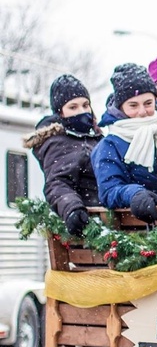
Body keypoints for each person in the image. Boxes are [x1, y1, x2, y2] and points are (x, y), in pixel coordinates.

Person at [22, 75, 103, 237]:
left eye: (85, 105)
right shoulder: (59, 142)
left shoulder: (97, 138)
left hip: (110, 219)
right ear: (60, 112)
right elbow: (57, 183)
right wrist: (72, 208)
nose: (82, 111)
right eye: (73, 107)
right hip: (90, 226)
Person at [91, 64, 157, 223]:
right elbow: (109, 191)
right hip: (137, 229)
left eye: (148, 103)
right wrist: (134, 194)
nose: (142, 111)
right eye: (133, 105)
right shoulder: (109, 145)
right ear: (120, 107)